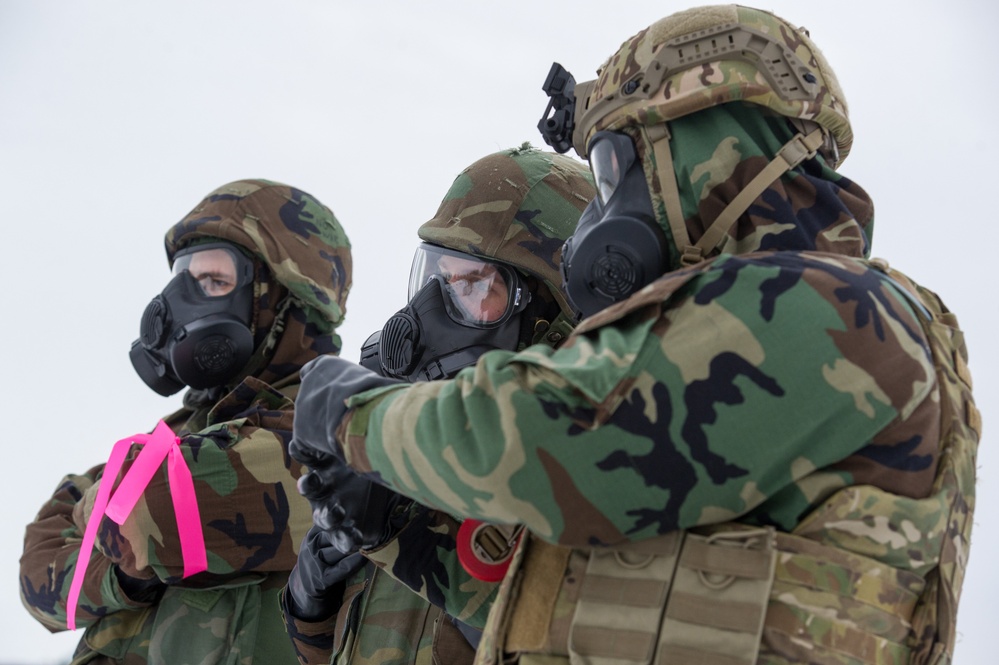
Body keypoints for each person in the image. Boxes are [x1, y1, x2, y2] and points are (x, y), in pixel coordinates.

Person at [288, 5, 980, 665]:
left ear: (706, 148)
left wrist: (352, 412)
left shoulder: (824, 305)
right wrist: (399, 533)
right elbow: (580, 596)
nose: (608, 210)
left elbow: (554, 437)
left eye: (617, 168)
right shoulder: (771, 320)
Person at [281, 144, 596, 665]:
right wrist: (311, 607)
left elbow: (567, 636)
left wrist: (404, 535)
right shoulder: (409, 453)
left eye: (473, 284)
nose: (426, 314)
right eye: (438, 278)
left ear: (553, 314)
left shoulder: (590, 470)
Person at [19, 179, 352, 664]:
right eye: (181, 279)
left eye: (213, 281)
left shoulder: (337, 429)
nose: (178, 302)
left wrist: (115, 538)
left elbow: (140, 507)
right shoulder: (179, 433)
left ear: (283, 299)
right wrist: (126, 573)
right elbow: (39, 574)